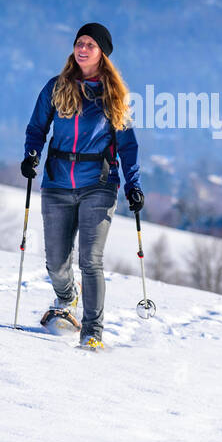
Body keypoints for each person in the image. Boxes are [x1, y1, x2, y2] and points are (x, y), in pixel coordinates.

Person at [21, 22, 143, 349]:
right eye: (79, 42)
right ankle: (66, 295)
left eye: (90, 44)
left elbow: (127, 145)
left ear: (102, 52)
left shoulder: (114, 95)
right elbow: (37, 128)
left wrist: (134, 184)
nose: (83, 48)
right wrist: (31, 154)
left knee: (91, 260)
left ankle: (93, 332)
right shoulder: (56, 87)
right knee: (56, 262)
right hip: (58, 183)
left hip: (99, 185)